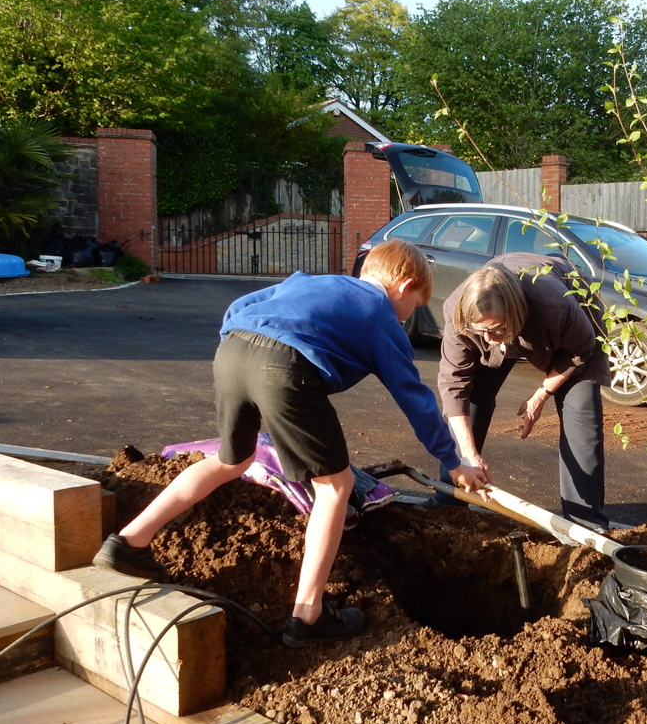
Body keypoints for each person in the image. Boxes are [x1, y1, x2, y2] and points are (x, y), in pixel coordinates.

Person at [93, 240, 488, 646]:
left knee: (233, 461)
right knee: (335, 487)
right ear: (404, 286)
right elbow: (415, 399)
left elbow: (240, 308)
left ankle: (129, 542)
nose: (409, 315)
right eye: (416, 305)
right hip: (283, 367)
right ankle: (309, 615)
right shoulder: (380, 315)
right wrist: (453, 461)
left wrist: (244, 343)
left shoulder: (310, 281)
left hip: (232, 351)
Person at [437, 252, 611, 532]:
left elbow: (581, 351)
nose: (487, 340)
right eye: (478, 331)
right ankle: (453, 494)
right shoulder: (459, 314)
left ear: (514, 316)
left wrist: (541, 394)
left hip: (572, 338)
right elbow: (453, 388)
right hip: (504, 321)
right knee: (470, 400)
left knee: (581, 420)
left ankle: (586, 525)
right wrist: (470, 456)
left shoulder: (556, 307)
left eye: (495, 330)